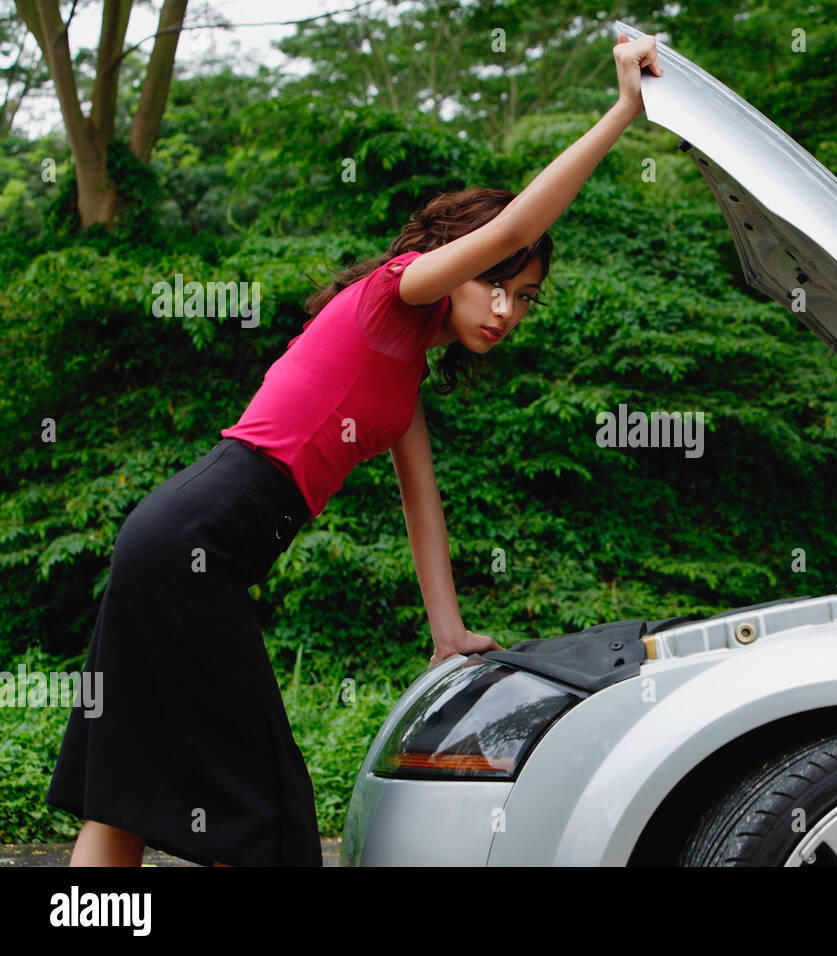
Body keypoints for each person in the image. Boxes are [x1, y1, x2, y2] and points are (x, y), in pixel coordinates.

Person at [44, 32, 663, 868]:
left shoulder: (402, 383)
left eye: (525, 298)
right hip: (199, 535)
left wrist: (448, 633)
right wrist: (624, 109)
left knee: (125, 795)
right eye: (495, 283)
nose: (507, 310)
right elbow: (519, 219)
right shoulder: (393, 292)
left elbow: (422, 506)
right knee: (266, 802)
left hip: (183, 539)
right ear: (455, 262)